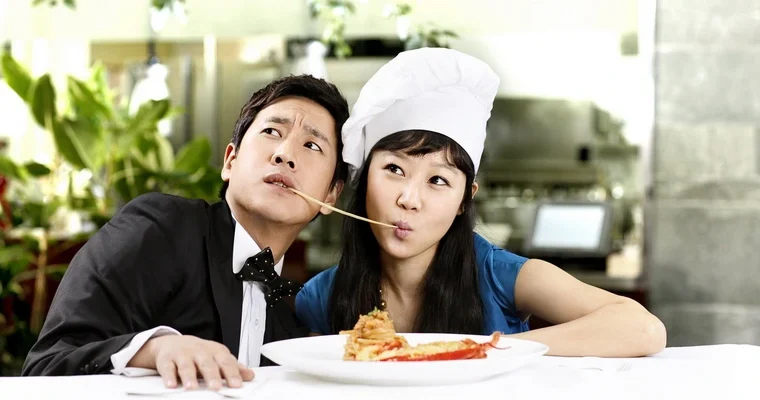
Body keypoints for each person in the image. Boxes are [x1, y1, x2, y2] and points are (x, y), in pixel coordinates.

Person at [295, 48, 667, 358]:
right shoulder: (321, 296)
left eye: (438, 180)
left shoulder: (498, 275)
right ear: (364, 179)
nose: (409, 199)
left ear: (464, 199)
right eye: (394, 169)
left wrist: (486, 351)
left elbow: (643, 329)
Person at [22, 74, 349, 389]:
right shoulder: (160, 230)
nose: (285, 154)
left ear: (331, 196)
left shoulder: (290, 323)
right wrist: (154, 349)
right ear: (230, 161)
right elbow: (45, 368)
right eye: (271, 131)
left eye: (312, 145)